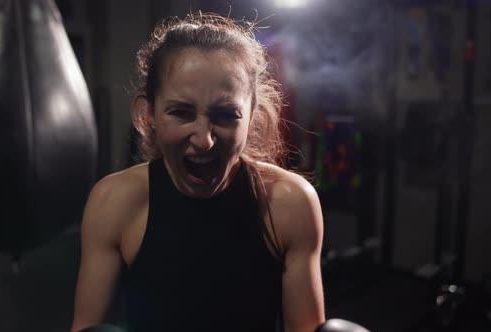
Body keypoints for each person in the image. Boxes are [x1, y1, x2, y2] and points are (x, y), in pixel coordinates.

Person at [71, 13, 325, 332]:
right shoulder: (115, 202)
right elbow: (85, 327)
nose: (204, 140)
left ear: (252, 115)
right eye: (181, 112)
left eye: (225, 115)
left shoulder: (289, 203)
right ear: (149, 113)